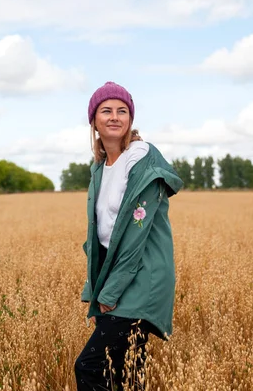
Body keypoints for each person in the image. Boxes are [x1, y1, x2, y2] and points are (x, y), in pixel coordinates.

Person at [74, 82, 183, 390]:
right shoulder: (101, 168)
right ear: (93, 121)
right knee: (126, 374)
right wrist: (94, 285)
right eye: (106, 110)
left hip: (143, 277)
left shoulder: (142, 160)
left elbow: (135, 238)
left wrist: (108, 294)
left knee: (89, 367)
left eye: (122, 111)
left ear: (130, 121)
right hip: (119, 275)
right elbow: (100, 236)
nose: (114, 117)